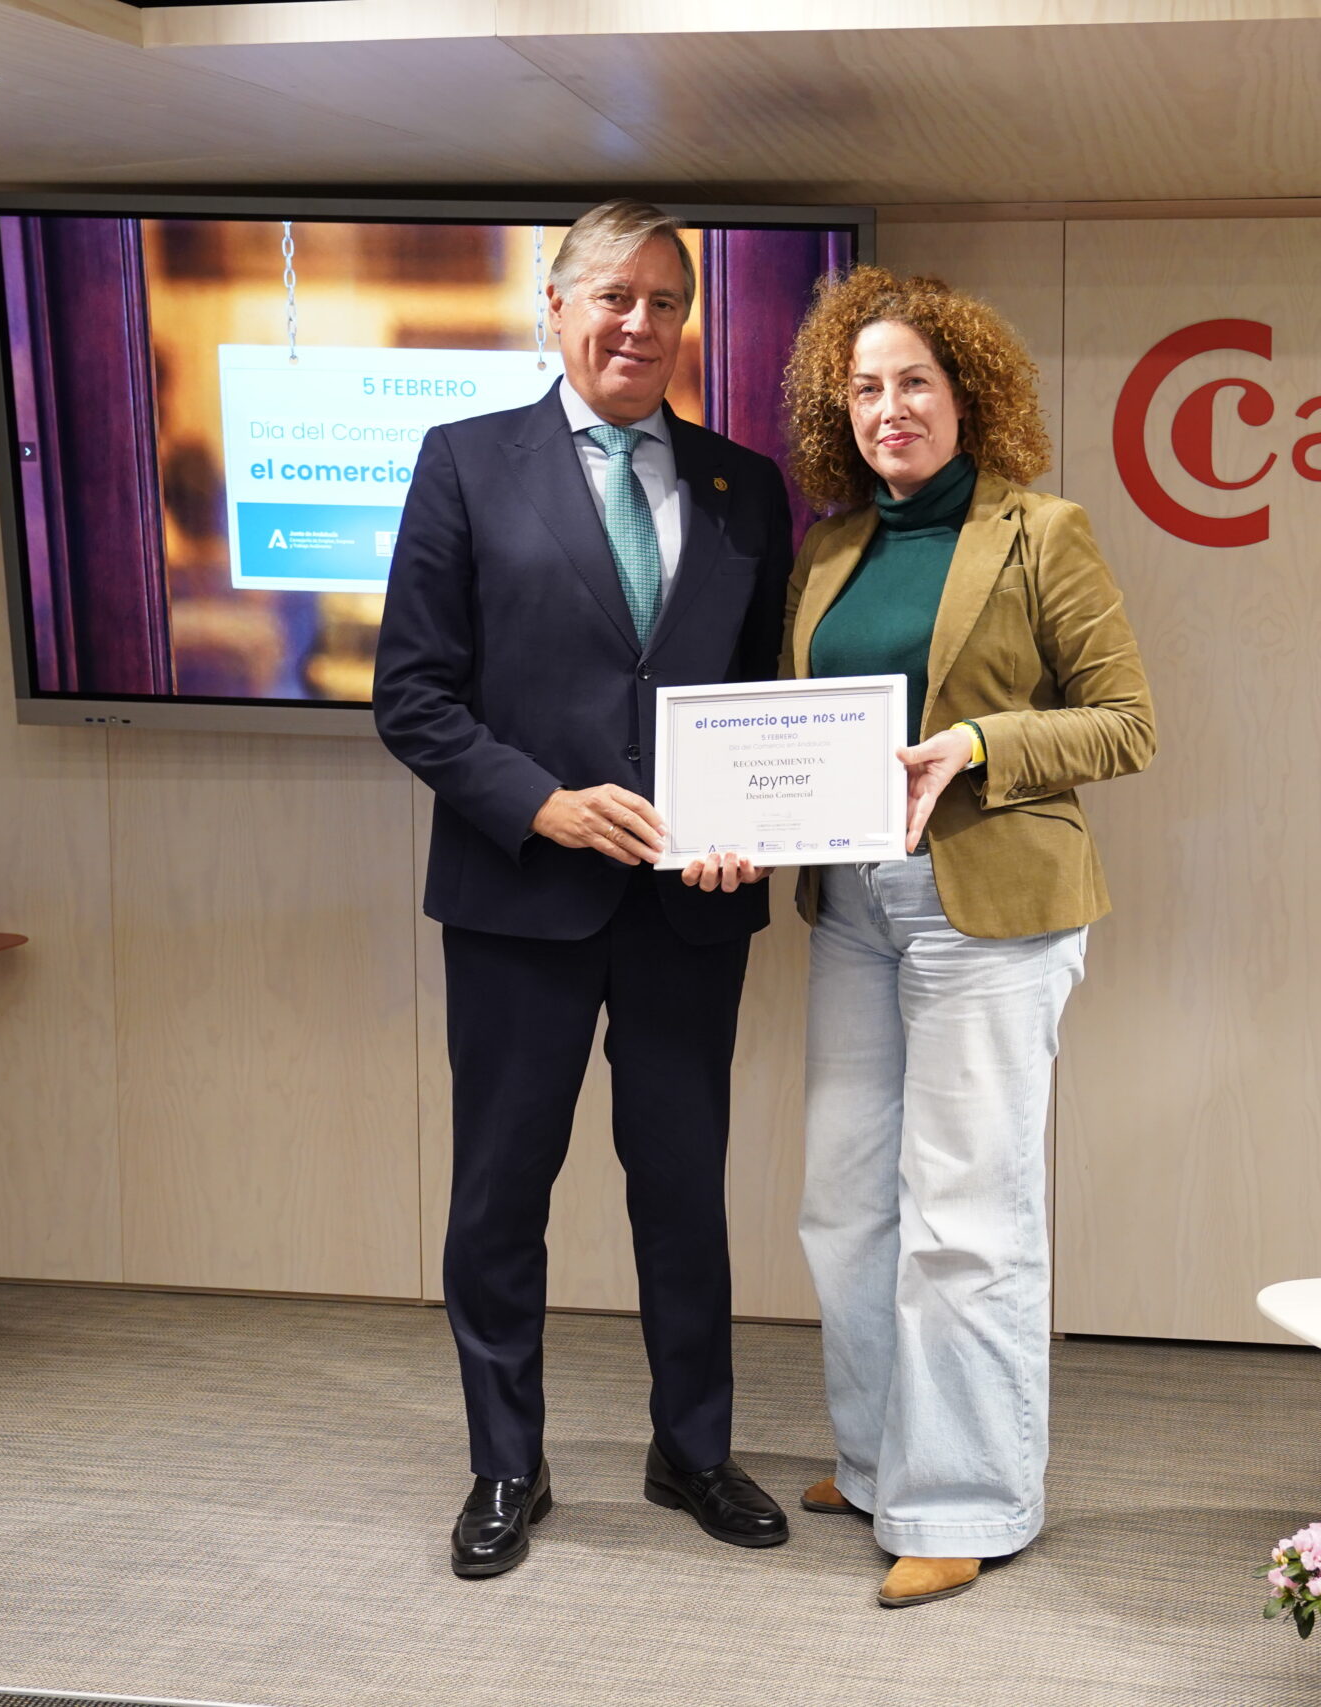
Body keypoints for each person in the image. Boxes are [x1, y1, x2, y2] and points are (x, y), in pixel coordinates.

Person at [374, 199, 795, 1578]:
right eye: (614, 296)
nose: (639, 324)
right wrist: (542, 804)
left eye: (666, 302)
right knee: (500, 1196)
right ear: (552, 308)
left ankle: (693, 1451)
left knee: (683, 1192)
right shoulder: (463, 464)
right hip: (518, 900)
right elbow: (413, 697)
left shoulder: (744, 485)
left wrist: (751, 821)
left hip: (691, 907)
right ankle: (508, 1462)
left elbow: (765, 699)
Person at [776, 267, 1156, 1607]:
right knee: (842, 1203)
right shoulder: (829, 549)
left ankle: (965, 1499)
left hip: (986, 909)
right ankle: (881, 1458)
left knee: (965, 1215)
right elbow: (788, 732)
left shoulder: (1041, 532)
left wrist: (981, 743)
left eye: (915, 383)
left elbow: (1126, 720)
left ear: (966, 394)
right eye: (865, 388)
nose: (890, 408)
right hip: (853, 908)